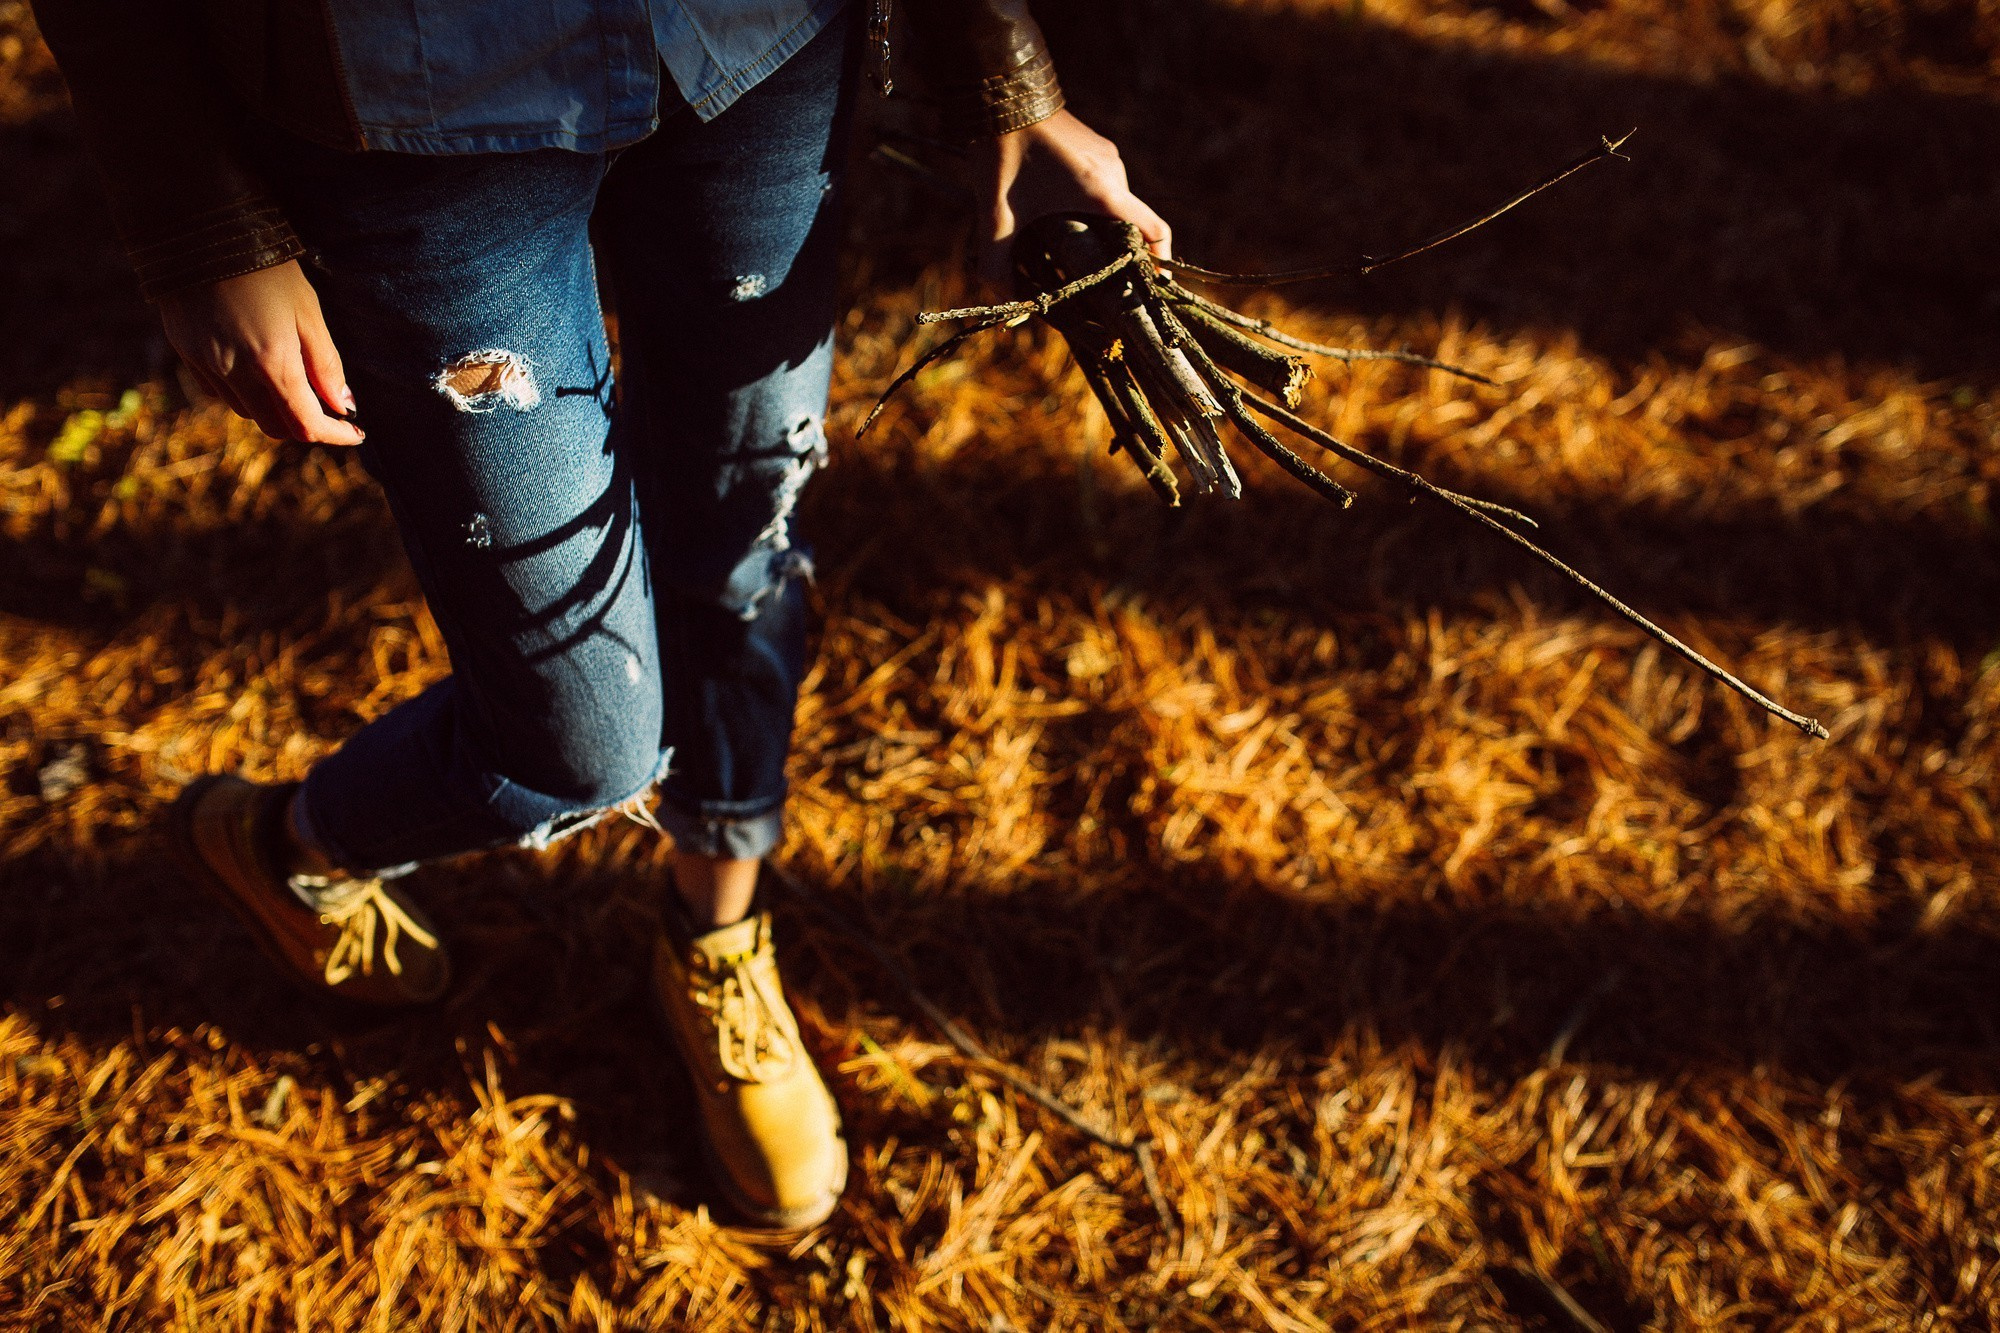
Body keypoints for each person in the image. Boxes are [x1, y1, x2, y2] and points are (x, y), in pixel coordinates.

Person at [32, 0, 1170, 1229]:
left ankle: (714, 937)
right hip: (409, 109)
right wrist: (200, 222)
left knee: (748, 531)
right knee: (579, 742)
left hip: (757, 52)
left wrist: (1001, 67)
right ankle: (292, 844)